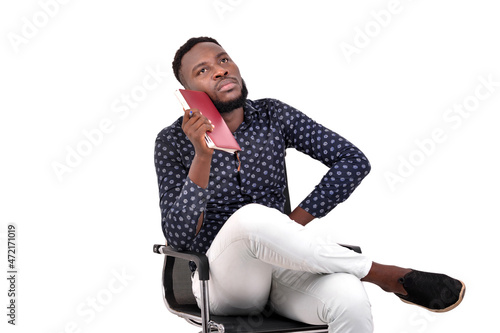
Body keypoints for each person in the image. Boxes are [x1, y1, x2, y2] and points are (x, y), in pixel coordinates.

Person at [154, 36, 465, 332]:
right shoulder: (171, 142)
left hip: (283, 265)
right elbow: (178, 236)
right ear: (188, 91)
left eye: (224, 59)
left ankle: (358, 275)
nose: (220, 69)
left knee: (349, 297)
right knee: (251, 216)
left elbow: (352, 161)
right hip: (222, 282)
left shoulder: (272, 115)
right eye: (203, 70)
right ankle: (384, 275)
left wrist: (292, 224)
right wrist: (202, 156)